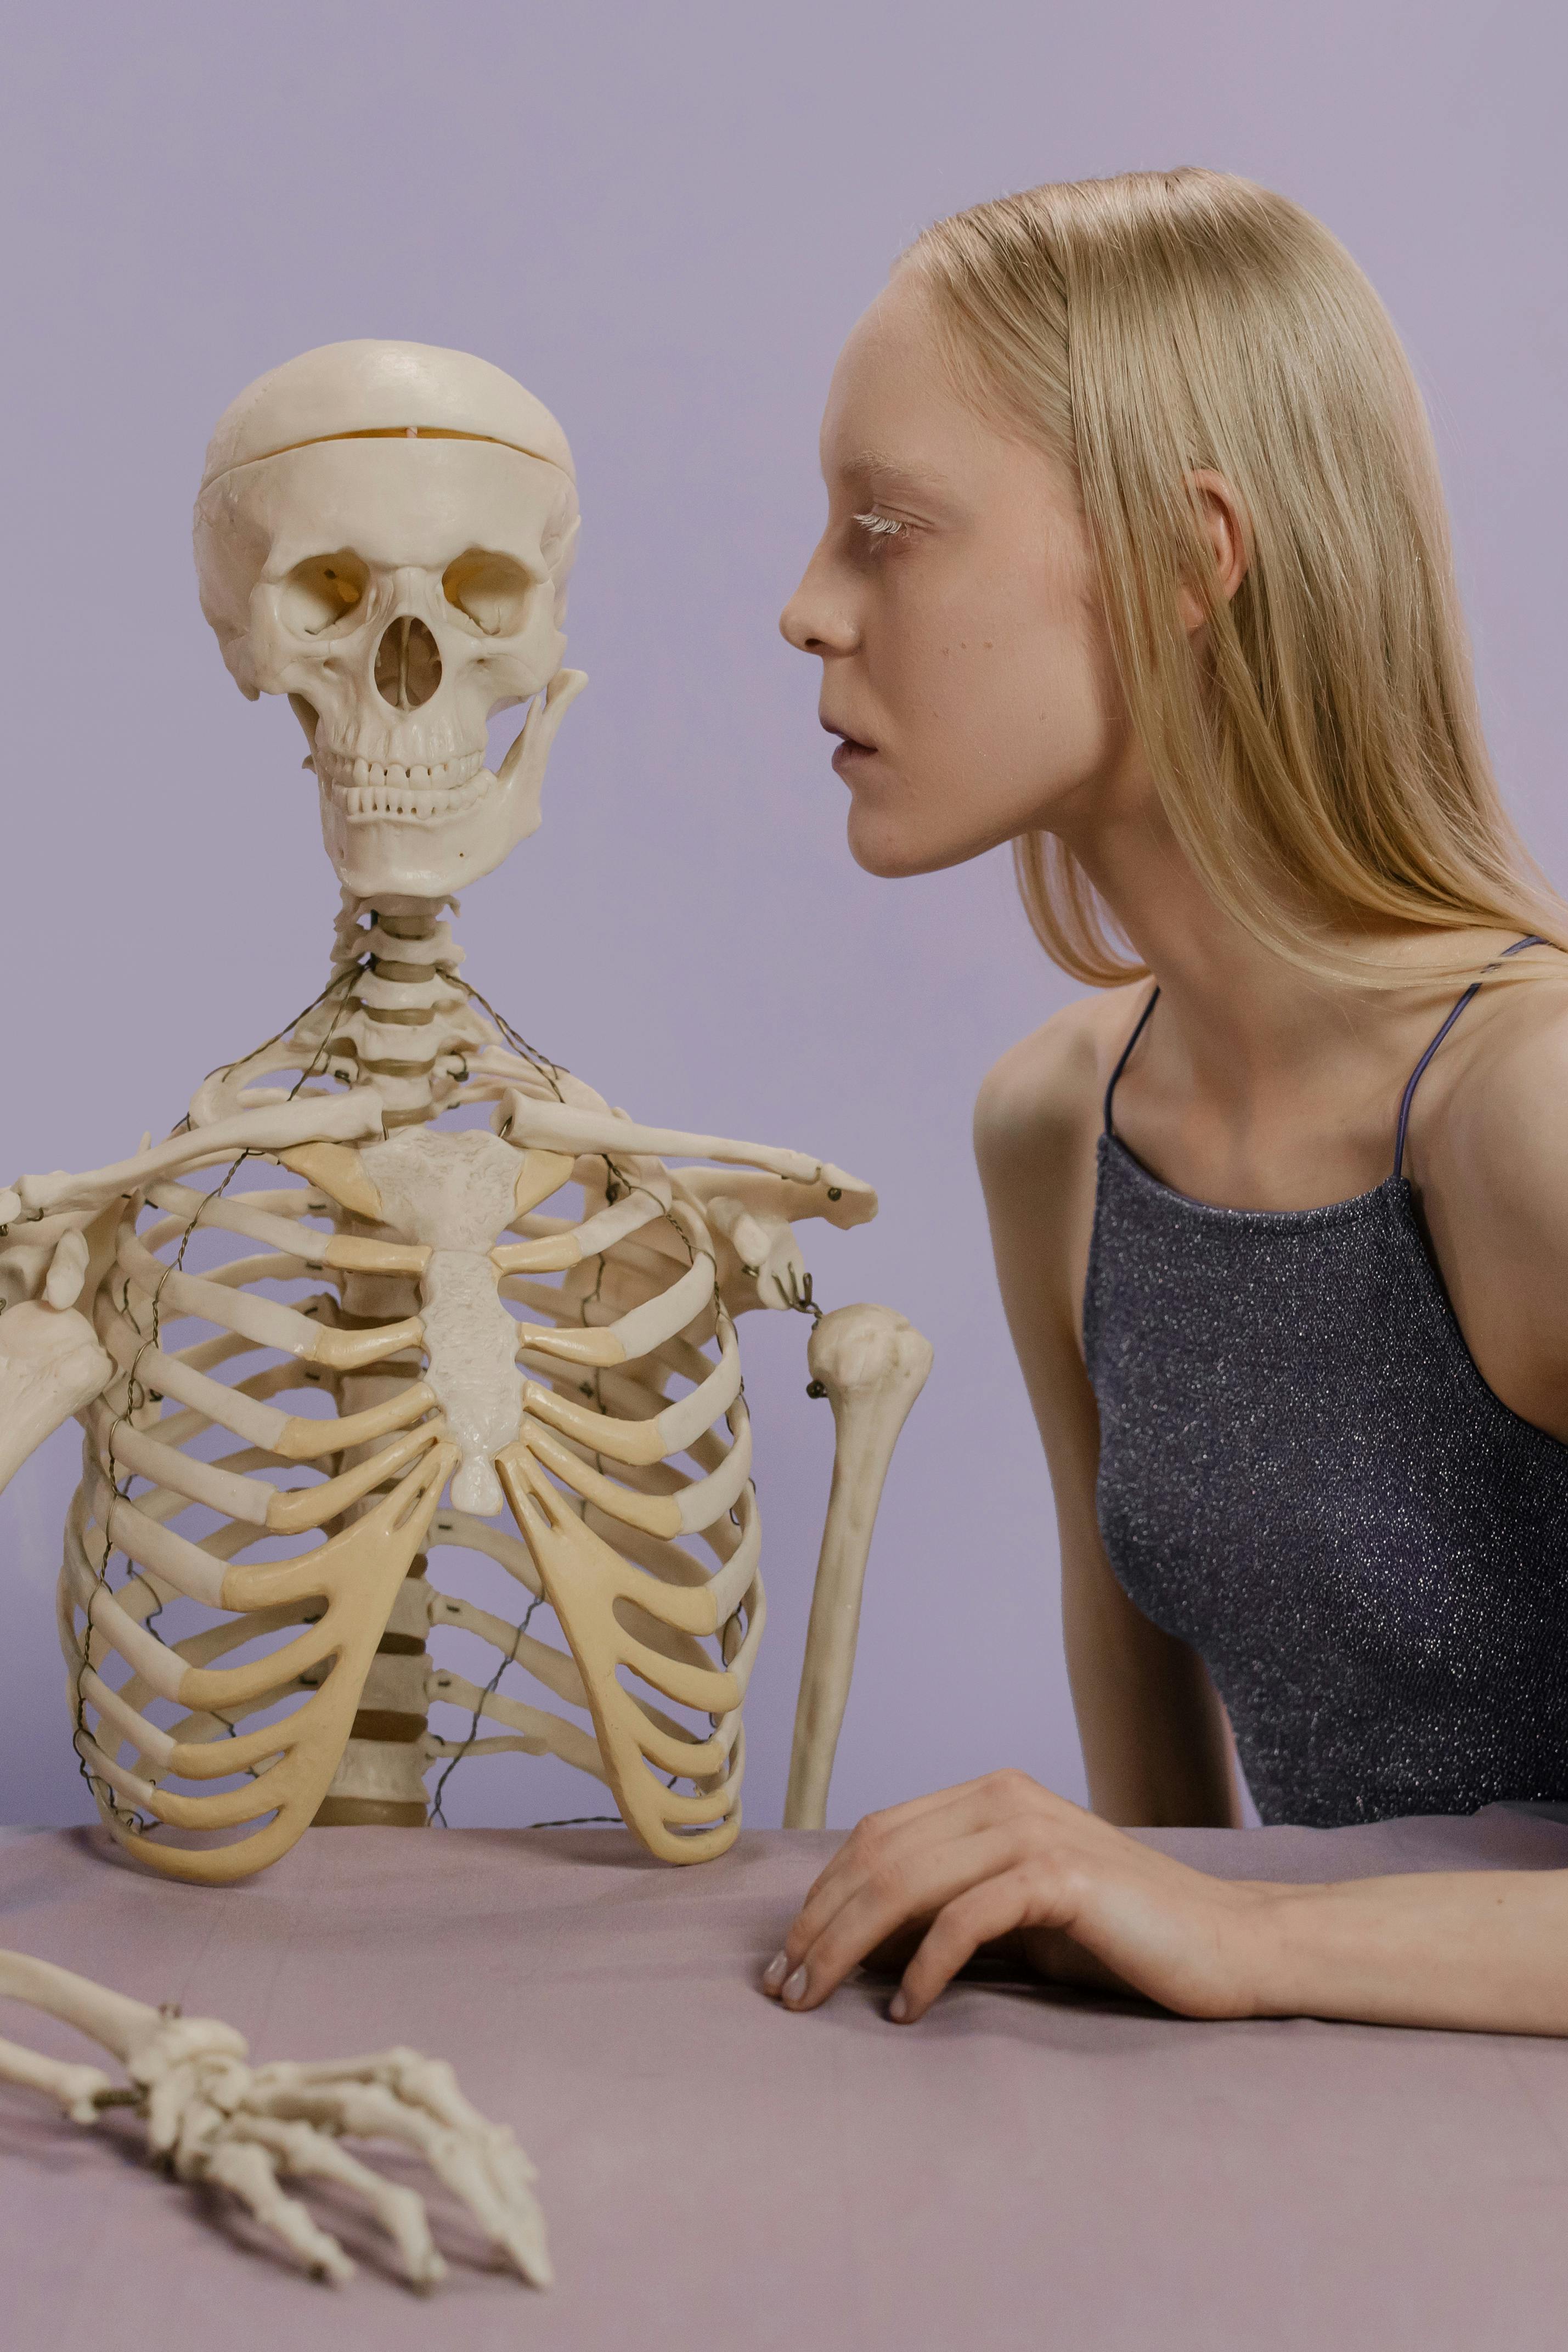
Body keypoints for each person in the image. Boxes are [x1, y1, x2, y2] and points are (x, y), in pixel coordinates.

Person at [766, 167, 1568, 2036]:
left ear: (1184, 560)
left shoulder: (1523, 1119)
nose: (809, 609)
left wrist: (1248, 1944)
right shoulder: (1055, 1129)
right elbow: (1161, 1862)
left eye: (888, 527)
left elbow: (1213, 1917)